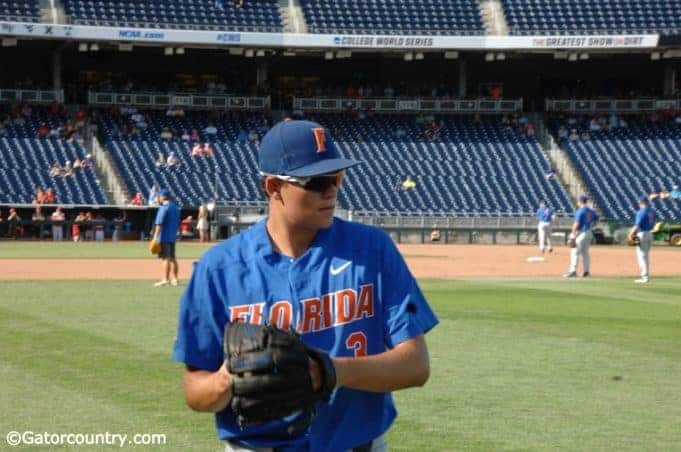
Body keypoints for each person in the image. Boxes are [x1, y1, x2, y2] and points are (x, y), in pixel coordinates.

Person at [172, 119, 438, 451]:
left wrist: (328, 371)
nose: (332, 190)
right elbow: (194, 391)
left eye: (337, 177)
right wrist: (228, 379)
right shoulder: (219, 268)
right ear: (272, 187)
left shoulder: (373, 250)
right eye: (317, 181)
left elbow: (416, 366)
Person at [564, 195, 599, 278]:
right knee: (585, 253)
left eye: (578, 201)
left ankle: (573, 271)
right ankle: (586, 272)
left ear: (580, 202)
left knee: (574, 251)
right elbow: (597, 219)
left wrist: (572, 235)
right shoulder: (590, 211)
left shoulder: (580, 211)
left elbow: (576, 224)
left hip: (581, 233)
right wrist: (592, 225)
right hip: (589, 232)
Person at [152, 189, 181, 287]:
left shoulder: (164, 207)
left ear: (163, 197)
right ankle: (175, 279)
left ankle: (166, 279)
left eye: (159, 196)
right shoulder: (175, 208)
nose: (158, 198)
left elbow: (159, 224)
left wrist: (155, 237)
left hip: (164, 237)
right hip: (172, 236)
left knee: (165, 258)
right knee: (173, 258)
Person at [628, 197, 656, 284]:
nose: (639, 204)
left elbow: (637, 225)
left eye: (639, 203)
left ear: (641, 203)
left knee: (642, 256)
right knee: (645, 256)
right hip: (650, 233)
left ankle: (644, 277)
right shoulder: (652, 211)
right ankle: (645, 276)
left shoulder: (641, 211)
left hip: (642, 234)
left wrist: (630, 234)